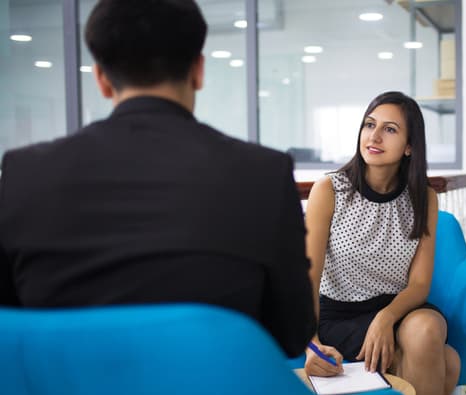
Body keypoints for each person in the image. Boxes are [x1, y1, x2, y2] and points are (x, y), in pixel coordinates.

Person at [0, 0, 315, 357]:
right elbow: (292, 333)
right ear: (198, 71)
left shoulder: (22, 174)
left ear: (101, 79)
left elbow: (9, 330)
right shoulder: (264, 174)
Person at [303, 91, 460, 395]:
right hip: (340, 314)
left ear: (409, 146)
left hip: (397, 308)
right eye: (369, 125)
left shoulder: (424, 198)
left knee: (427, 330)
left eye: (390, 129)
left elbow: (418, 285)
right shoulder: (329, 190)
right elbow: (308, 277)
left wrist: (385, 318)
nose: (374, 136)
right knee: (449, 362)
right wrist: (310, 343)